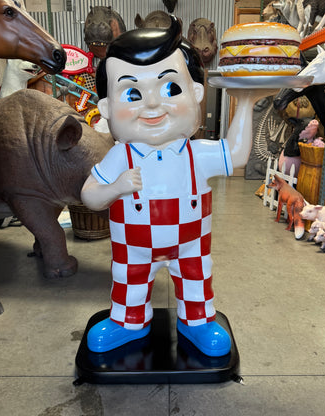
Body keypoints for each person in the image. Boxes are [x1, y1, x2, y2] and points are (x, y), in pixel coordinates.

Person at [81, 16, 241, 357]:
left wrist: (248, 100)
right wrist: (116, 188)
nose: (152, 104)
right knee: (129, 283)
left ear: (196, 93)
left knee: (197, 280)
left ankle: (196, 321)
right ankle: (128, 322)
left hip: (191, 245)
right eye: (133, 93)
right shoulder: (120, 156)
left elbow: (237, 153)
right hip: (133, 247)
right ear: (107, 108)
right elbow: (90, 195)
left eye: (170, 88)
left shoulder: (197, 152)